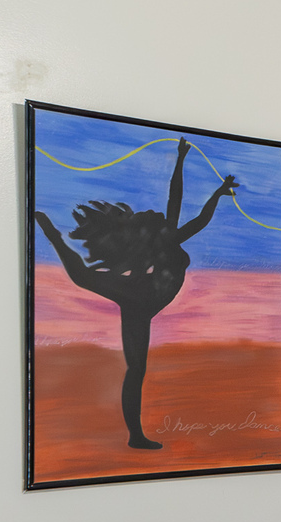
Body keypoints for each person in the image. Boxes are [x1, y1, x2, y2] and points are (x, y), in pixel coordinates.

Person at [33, 138, 237, 449]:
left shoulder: (166, 238)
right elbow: (181, 204)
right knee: (133, 363)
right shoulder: (168, 238)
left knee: (133, 363)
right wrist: (203, 180)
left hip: (141, 299)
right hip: (141, 296)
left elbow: (182, 205)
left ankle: (136, 437)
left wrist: (206, 182)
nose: (155, 215)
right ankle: (136, 437)